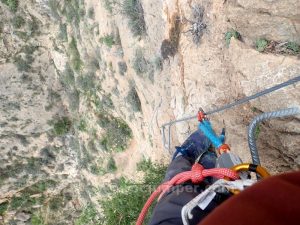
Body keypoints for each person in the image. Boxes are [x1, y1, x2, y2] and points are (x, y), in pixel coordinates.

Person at [148, 130, 300, 225]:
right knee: (190, 169)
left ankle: (192, 151)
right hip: (233, 209)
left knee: (179, 173)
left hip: (176, 214)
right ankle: (207, 151)